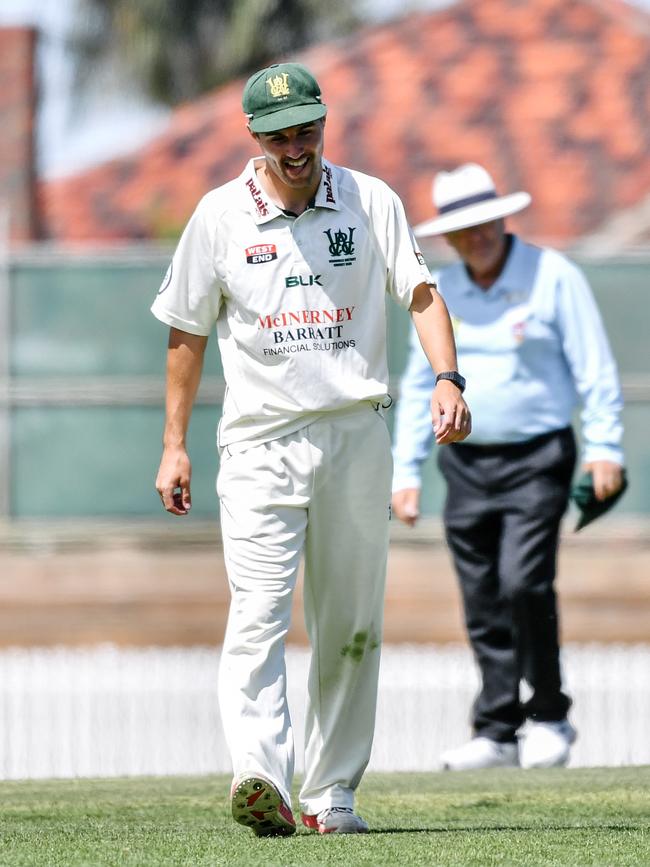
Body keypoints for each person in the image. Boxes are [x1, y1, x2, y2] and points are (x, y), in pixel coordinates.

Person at [152, 62, 471, 836]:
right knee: (257, 612)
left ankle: (332, 793)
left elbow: (422, 293)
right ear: (255, 137)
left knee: (350, 621)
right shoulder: (221, 216)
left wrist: (448, 377)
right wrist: (174, 446)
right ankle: (260, 772)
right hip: (260, 445)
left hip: (355, 434)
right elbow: (187, 334)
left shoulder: (369, 201)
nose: (297, 147)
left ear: (323, 124)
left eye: (308, 129)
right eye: (280, 134)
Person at [392, 163, 625, 771]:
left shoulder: (554, 276)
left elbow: (594, 369)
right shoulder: (440, 291)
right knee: (481, 593)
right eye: (462, 230)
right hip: (465, 463)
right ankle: (497, 729)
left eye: (484, 223)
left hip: (539, 457)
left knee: (523, 581)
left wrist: (606, 448)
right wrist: (406, 470)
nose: (477, 237)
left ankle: (549, 714)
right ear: (448, 237)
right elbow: (421, 383)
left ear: (502, 218)